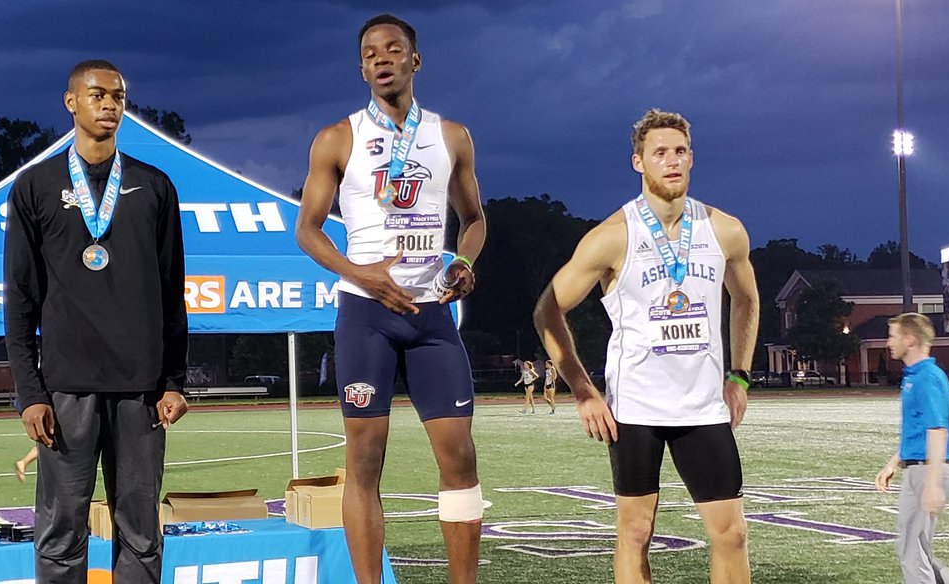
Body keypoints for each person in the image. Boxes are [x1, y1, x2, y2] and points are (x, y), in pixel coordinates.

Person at [295, 13, 487, 584]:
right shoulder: (337, 138)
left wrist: (464, 262)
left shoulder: (451, 136)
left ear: (414, 60)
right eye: (371, 53)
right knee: (364, 463)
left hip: (432, 316)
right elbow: (307, 229)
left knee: (460, 459)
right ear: (361, 68)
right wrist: (360, 272)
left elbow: (474, 220)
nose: (381, 59)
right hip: (365, 314)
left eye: (393, 49)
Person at [533, 109, 759, 584]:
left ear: (691, 158)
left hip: (703, 408)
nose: (671, 161)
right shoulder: (613, 236)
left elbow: (748, 300)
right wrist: (583, 390)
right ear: (638, 162)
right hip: (635, 408)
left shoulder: (724, 230)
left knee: (732, 534)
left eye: (679, 152)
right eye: (659, 153)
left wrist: (739, 374)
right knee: (636, 532)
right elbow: (547, 310)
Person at [4, 59, 189, 584]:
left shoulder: (154, 186)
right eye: (97, 95)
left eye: (118, 96)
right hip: (65, 391)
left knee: (140, 532)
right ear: (71, 103)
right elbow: (19, 298)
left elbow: (172, 293)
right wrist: (29, 392)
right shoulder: (34, 186)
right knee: (62, 532)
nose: (109, 105)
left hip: (141, 391)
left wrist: (174, 380)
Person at [874, 313, 949, 584]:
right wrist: (894, 462)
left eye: (893, 336)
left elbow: (937, 430)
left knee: (912, 551)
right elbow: (918, 428)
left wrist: (934, 483)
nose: (889, 342)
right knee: (912, 548)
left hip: (928, 471)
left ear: (910, 339)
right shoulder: (915, 376)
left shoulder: (927, 377)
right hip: (918, 470)